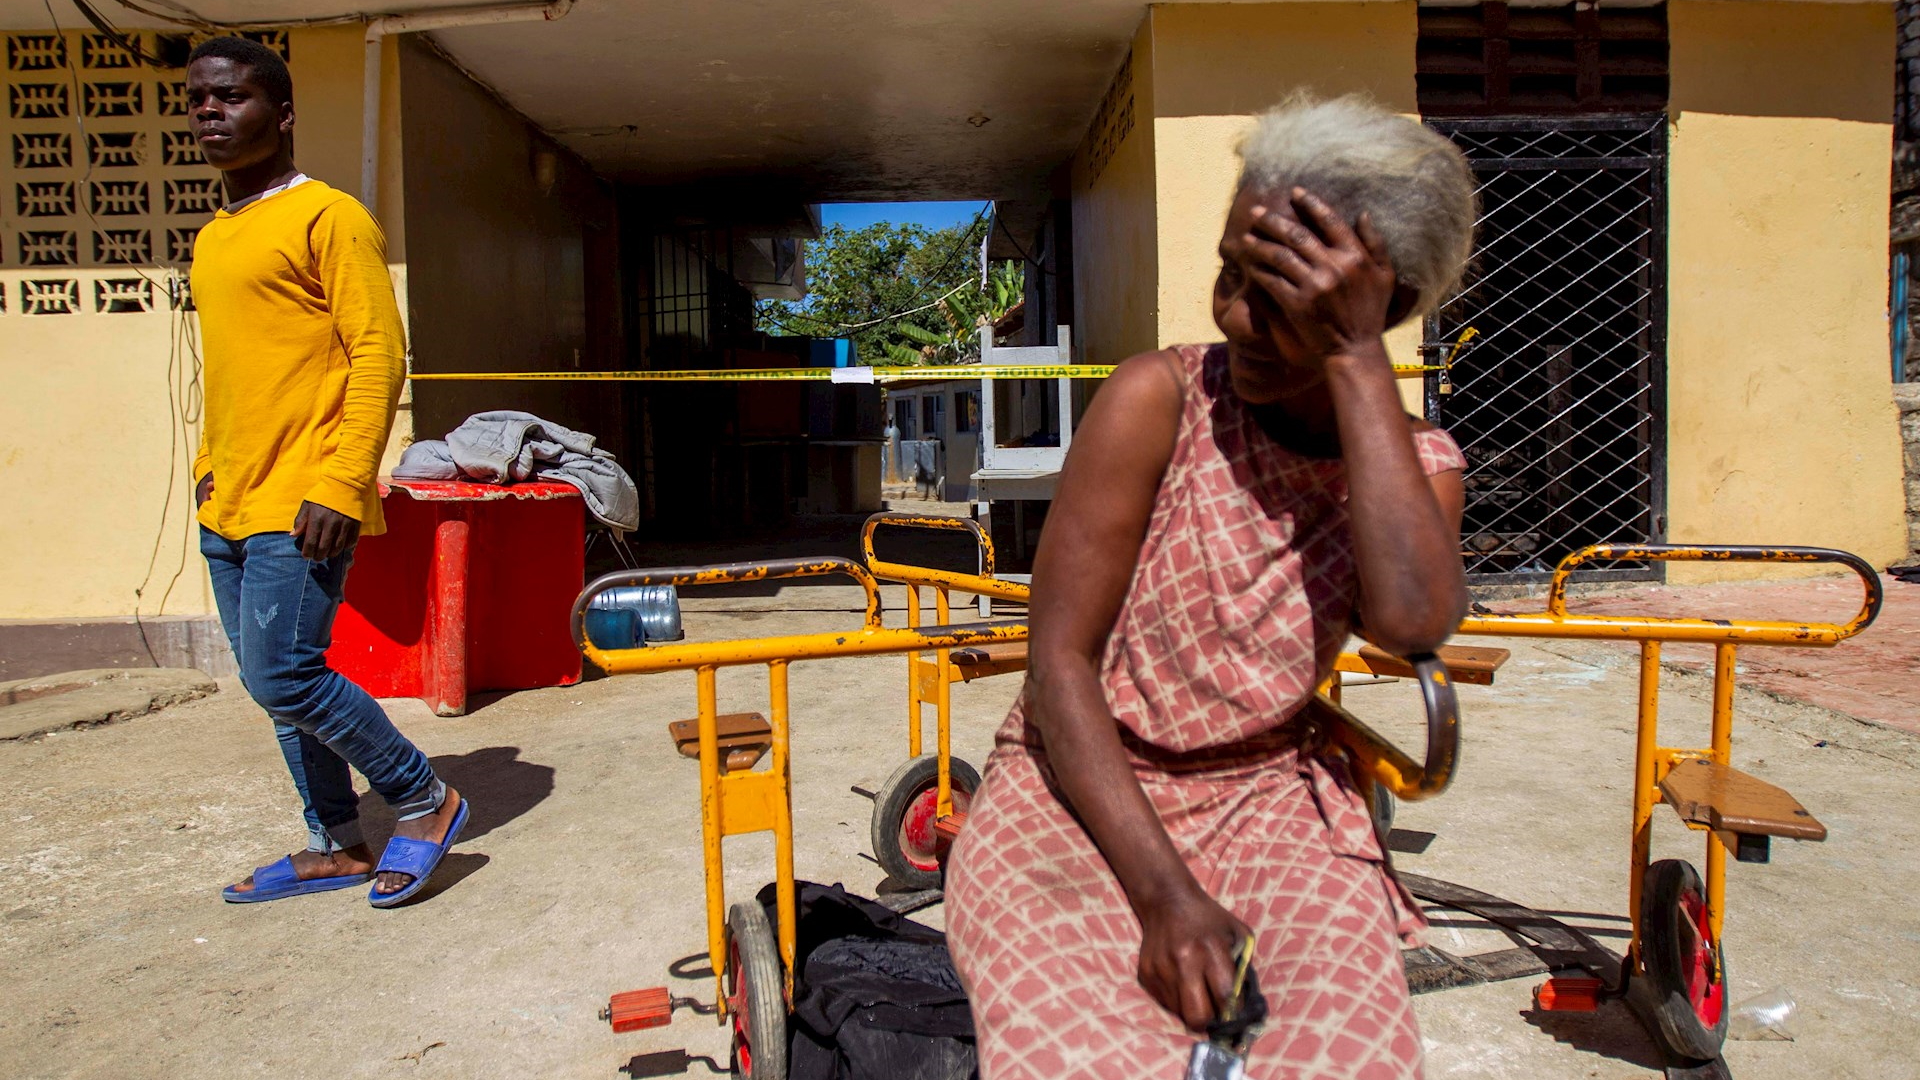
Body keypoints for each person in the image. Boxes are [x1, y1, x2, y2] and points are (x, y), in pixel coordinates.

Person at [945, 94, 1476, 1080]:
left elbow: (1410, 619)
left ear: (1383, 306)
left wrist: (1357, 363)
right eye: (1230, 273)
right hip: (1076, 790)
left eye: (1278, 296)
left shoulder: (1415, 463)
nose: (1235, 315)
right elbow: (1059, 663)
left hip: (1269, 797)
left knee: (1348, 1056)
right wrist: (1163, 897)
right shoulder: (1161, 399)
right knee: (1080, 1055)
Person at [186, 37, 468, 908]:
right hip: (229, 498)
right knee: (279, 693)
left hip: (303, 498)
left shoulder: (330, 217)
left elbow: (379, 354)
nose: (209, 112)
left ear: (283, 113)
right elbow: (238, 368)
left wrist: (346, 481)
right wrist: (206, 470)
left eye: (230, 98)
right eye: (197, 100)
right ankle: (335, 842)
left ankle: (425, 799)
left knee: (285, 673)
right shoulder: (216, 235)